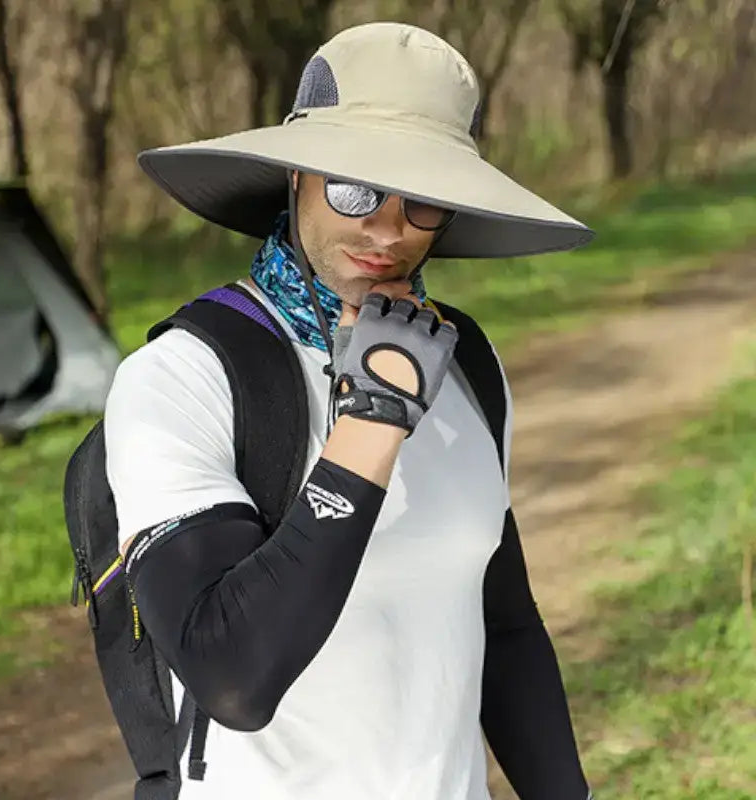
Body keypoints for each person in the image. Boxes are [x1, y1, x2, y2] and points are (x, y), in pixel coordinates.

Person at [106, 21, 595, 800]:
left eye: (422, 198)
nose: (388, 228)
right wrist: (374, 420)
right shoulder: (183, 377)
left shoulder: (464, 361)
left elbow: (503, 623)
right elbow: (234, 680)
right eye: (356, 187)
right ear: (296, 174)